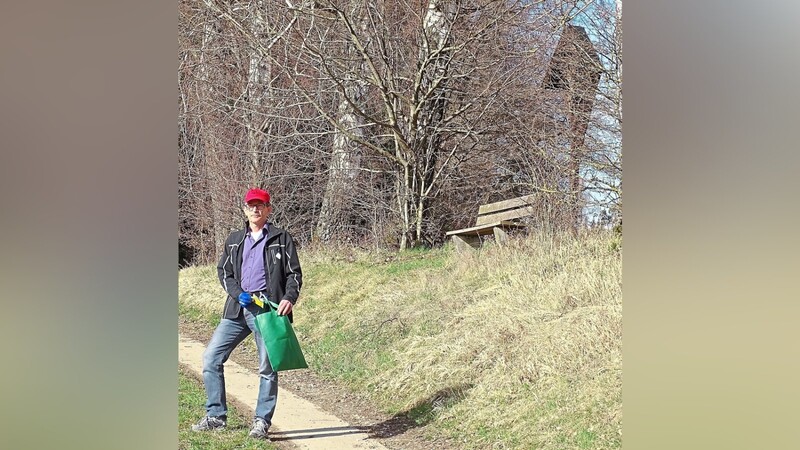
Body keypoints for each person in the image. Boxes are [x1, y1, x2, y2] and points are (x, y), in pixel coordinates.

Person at [192, 187, 303, 439]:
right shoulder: (234, 239)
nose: (255, 209)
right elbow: (225, 272)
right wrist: (235, 293)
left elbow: (294, 275)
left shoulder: (281, 238)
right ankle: (215, 416)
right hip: (237, 309)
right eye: (251, 205)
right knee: (211, 358)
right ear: (245, 209)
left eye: (260, 205)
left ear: (268, 209)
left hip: (266, 310)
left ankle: (261, 422)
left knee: (267, 367)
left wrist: (288, 298)